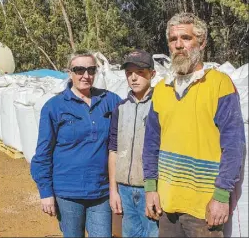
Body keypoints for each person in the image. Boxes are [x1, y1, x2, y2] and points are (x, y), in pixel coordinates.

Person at [142, 13, 245, 237]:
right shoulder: (161, 89)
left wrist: (221, 196)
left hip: (204, 207)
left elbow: (234, 146)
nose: (178, 45)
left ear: (202, 42)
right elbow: (151, 143)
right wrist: (150, 188)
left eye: (186, 38)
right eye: (173, 39)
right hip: (167, 205)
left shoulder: (219, 84)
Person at [31, 52, 121, 238]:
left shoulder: (109, 100)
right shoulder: (54, 107)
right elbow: (43, 154)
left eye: (90, 70)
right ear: (69, 72)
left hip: (101, 192)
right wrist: (45, 192)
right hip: (68, 192)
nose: (85, 75)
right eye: (79, 70)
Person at [108, 49, 159, 237]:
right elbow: (113, 150)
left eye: (140, 73)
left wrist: (155, 190)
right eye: (129, 73)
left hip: (151, 190)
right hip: (125, 191)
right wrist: (113, 190)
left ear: (152, 74)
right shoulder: (120, 108)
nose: (134, 78)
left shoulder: (160, 105)